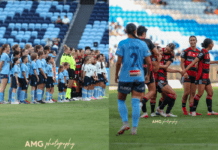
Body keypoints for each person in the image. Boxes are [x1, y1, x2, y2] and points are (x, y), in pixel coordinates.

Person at [115, 23, 151, 135]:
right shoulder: (142, 43)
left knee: (121, 100)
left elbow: (119, 62)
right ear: (135, 31)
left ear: (125, 31)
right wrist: (148, 75)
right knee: (135, 102)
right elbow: (149, 62)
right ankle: (134, 129)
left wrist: (116, 74)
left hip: (125, 76)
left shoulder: (122, 43)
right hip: (139, 76)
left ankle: (125, 123)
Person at [181, 38, 218, 116]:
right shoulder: (202, 53)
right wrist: (185, 70)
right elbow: (194, 62)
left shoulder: (206, 53)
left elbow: (206, 62)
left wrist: (215, 62)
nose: (213, 45)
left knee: (210, 93)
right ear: (210, 44)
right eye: (212, 43)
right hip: (201, 76)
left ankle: (210, 111)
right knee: (199, 94)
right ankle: (192, 111)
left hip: (206, 77)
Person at [136, 25, 160, 118]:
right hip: (146, 68)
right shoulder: (148, 41)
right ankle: (142, 103)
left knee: (141, 92)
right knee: (152, 90)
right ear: (144, 33)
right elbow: (156, 53)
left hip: (136, 69)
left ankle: (145, 113)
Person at [155, 43, 179, 117]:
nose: (164, 50)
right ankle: (160, 109)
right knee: (173, 94)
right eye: (165, 48)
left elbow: (166, 67)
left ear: (170, 51)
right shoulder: (159, 51)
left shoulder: (171, 56)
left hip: (163, 76)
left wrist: (178, 71)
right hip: (158, 77)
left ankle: (164, 112)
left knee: (165, 97)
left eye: (167, 50)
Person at [181, 36, 201, 116]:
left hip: (195, 75)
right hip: (187, 74)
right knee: (186, 92)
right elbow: (182, 63)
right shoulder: (185, 51)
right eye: (191, 40)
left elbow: (200, 64)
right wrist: (184, 72)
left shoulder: (199, 52)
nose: (192, 41)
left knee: (193, 93)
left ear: (196, 41)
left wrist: (198, 67)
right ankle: (184, 108)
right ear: (189, 42)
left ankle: (191, 110)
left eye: (194, 40)